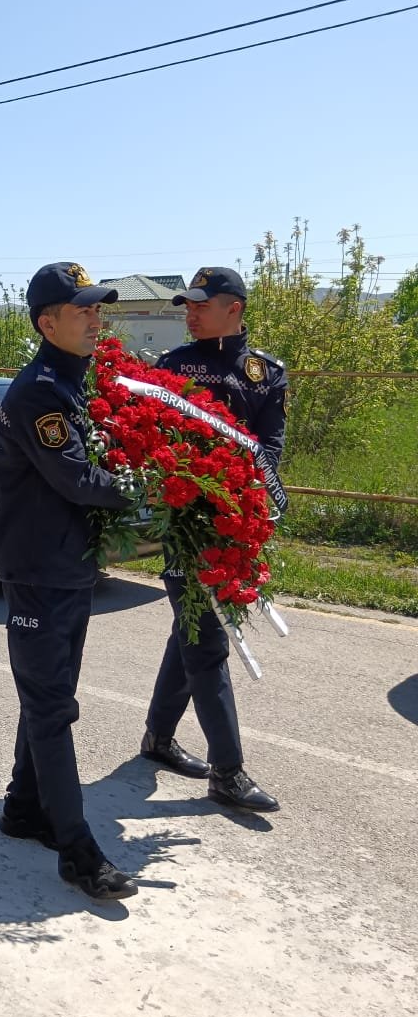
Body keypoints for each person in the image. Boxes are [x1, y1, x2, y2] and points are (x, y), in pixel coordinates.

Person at [0, 262, 136, 901]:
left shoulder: (75, 384)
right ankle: (77, 851)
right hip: (38, 571)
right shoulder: (39, 391)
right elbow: (76, 478)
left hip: (67, 564)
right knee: (53, 707)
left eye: (97, 309)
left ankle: (25, 807)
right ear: (47, 322)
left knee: (50, 695)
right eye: (83, 310)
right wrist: (146, 492)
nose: (95, 319)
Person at [139, 267, 284, 812]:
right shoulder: (173, 367)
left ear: (235, 308)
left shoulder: (266, 373)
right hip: (186, 525)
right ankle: (228, 771)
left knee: (190, 630)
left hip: (237, 524)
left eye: (201, 303)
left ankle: (157, 737)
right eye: (187, 304)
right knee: (207, 644)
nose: (190, 312)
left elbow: (270, 446)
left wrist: (244, 500)